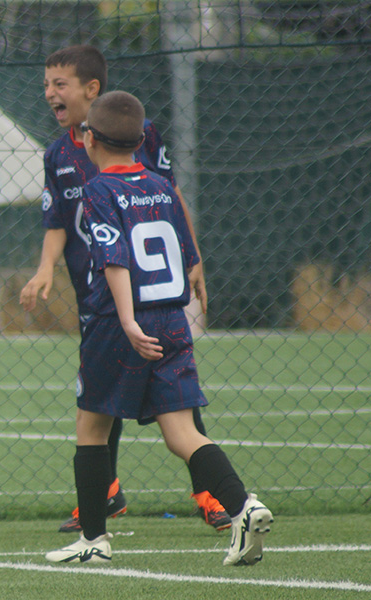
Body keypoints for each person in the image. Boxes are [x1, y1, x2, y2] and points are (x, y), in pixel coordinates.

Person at [45, 91, 272, 566]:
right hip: (171, 319)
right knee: (181, 432)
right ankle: (242, 507)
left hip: (119, 323)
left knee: (91, 425)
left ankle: (93, 540)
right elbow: (184, 245)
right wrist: (195, 267)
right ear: (140, 141)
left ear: (90, 140)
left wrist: (127, 320)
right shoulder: (161, 187)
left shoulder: (98, 190)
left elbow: (114, 259)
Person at [19, 45, 229, 532]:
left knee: (174, 397)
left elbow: (171, 194)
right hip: (98, 295)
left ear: (91, 90)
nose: (49, 93)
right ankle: (104, 494)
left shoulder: (138, 133)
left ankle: (210, 494)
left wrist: (193, 256)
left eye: (59, 84)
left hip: (148, 293)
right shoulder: (57, 154)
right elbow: (57, 221)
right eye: (46, 83)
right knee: (100, 394)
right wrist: (45, 268)